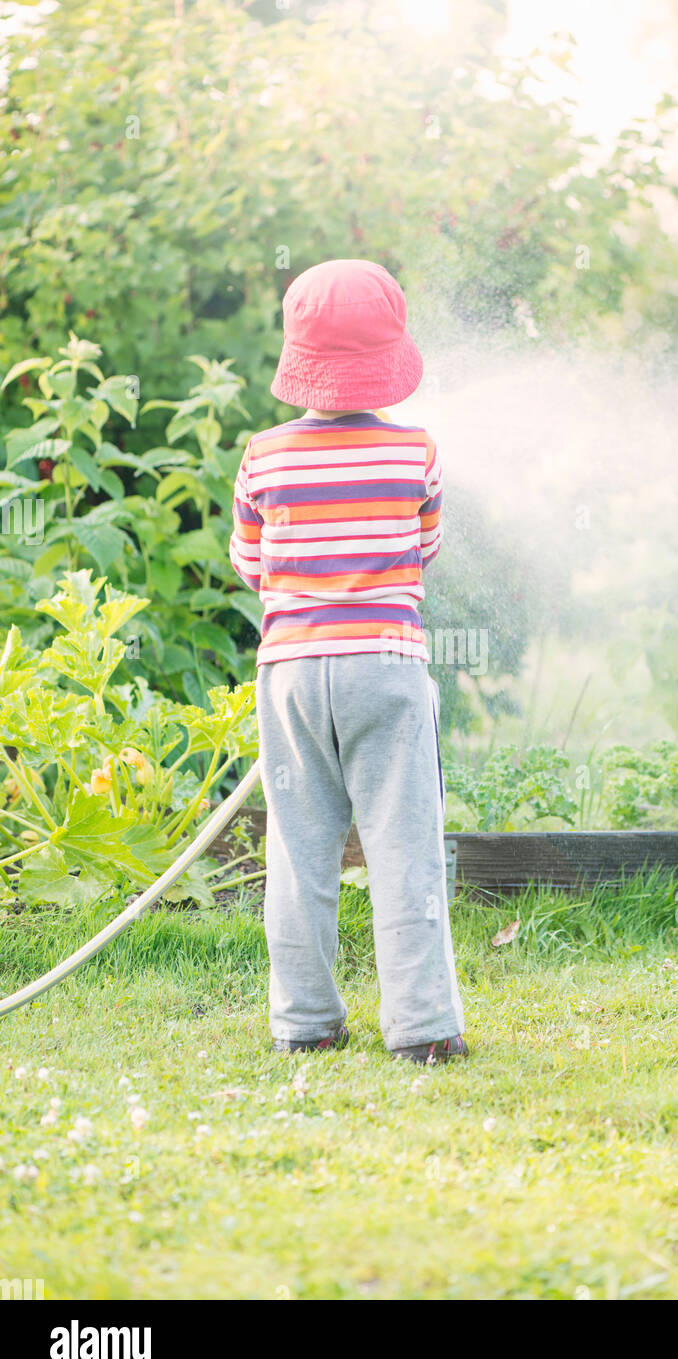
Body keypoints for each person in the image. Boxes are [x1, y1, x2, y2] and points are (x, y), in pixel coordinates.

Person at [229, 258, 468, 1065]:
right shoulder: (417, 454)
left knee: (297, 852)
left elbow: (250, 565)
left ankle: (304, 1022)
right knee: (403, 851)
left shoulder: (261, 455)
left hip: (291, 675)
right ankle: (423, 1028)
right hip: (386, 668)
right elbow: (423, 548)